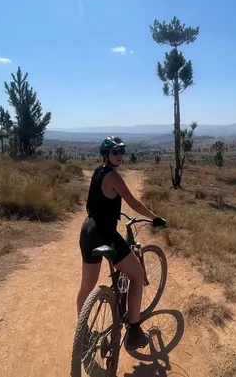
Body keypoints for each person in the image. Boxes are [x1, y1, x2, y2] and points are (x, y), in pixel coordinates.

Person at [77, 136, 167, 350]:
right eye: (115, 152)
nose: (120, 156)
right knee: (137, 275)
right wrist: (154, 218)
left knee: (86, 286)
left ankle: (83, 333)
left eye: (122, 151)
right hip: (105, 234)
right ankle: (134, 332)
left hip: (88, 231)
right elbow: (134, 204)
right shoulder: (113, 176)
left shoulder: (98, 172)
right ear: (106, 154)